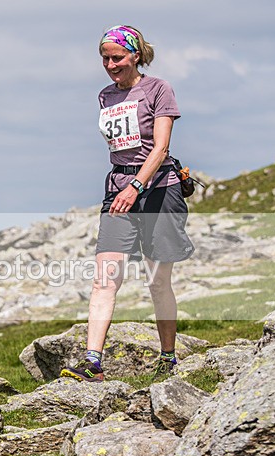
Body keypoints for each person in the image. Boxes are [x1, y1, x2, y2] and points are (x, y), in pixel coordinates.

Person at [61, 26, 193, 383]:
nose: (110, 64)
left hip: (158, 189)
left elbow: (161, 148)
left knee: (157, 280)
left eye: (117, 57)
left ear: (135, 55)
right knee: (105, 279)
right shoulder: (105, 96)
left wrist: (136, 186)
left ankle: (168, 357)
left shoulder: (158, 89)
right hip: (118, 187)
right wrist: (126, 186)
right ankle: (93, 363)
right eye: (104, 58)